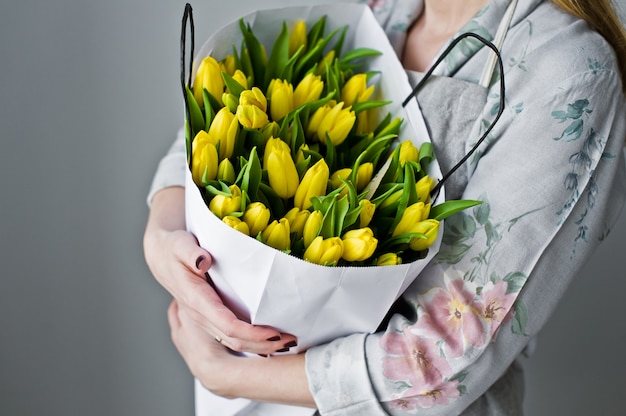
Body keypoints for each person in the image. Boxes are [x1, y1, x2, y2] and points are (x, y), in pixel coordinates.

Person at [143, 0, 626, 414]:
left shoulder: (569, 69)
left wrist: (229, 376)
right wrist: (162, 235)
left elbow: (452, 348)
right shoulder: (379, 9)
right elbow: (215, 125)